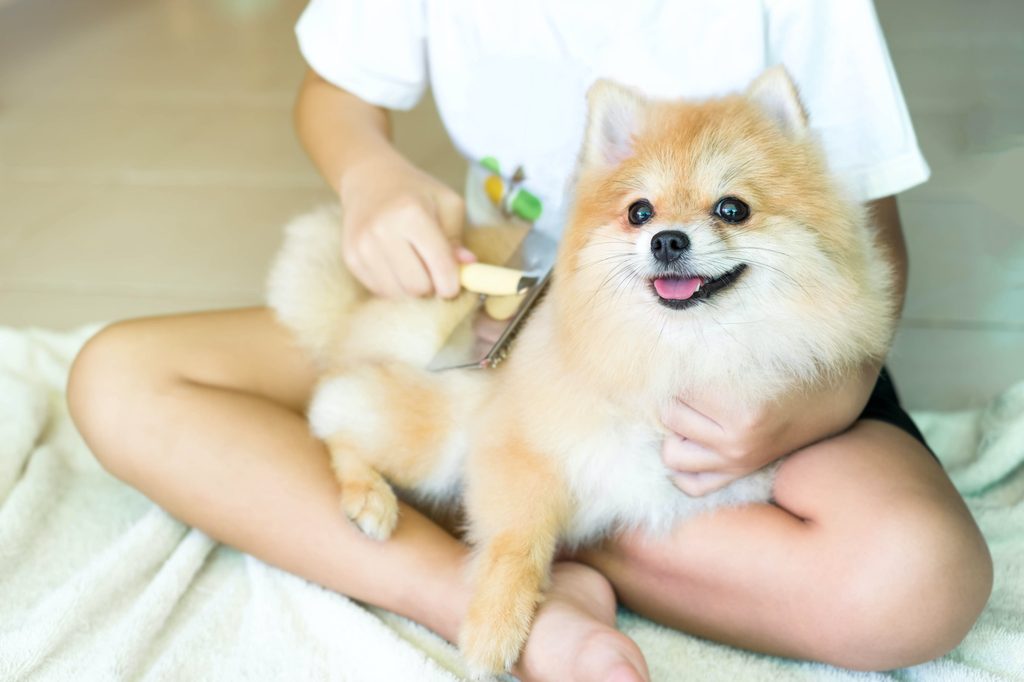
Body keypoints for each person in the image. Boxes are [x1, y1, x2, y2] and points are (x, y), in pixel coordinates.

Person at [66, 1, 993, 680]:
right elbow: (333, 96)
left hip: (753, 352)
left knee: (920, 581)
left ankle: (526, 521)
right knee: (121, 378)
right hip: (498, 310)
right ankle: (503, 589)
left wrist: (810, 405)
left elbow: (866, 238)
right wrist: (369, 175)